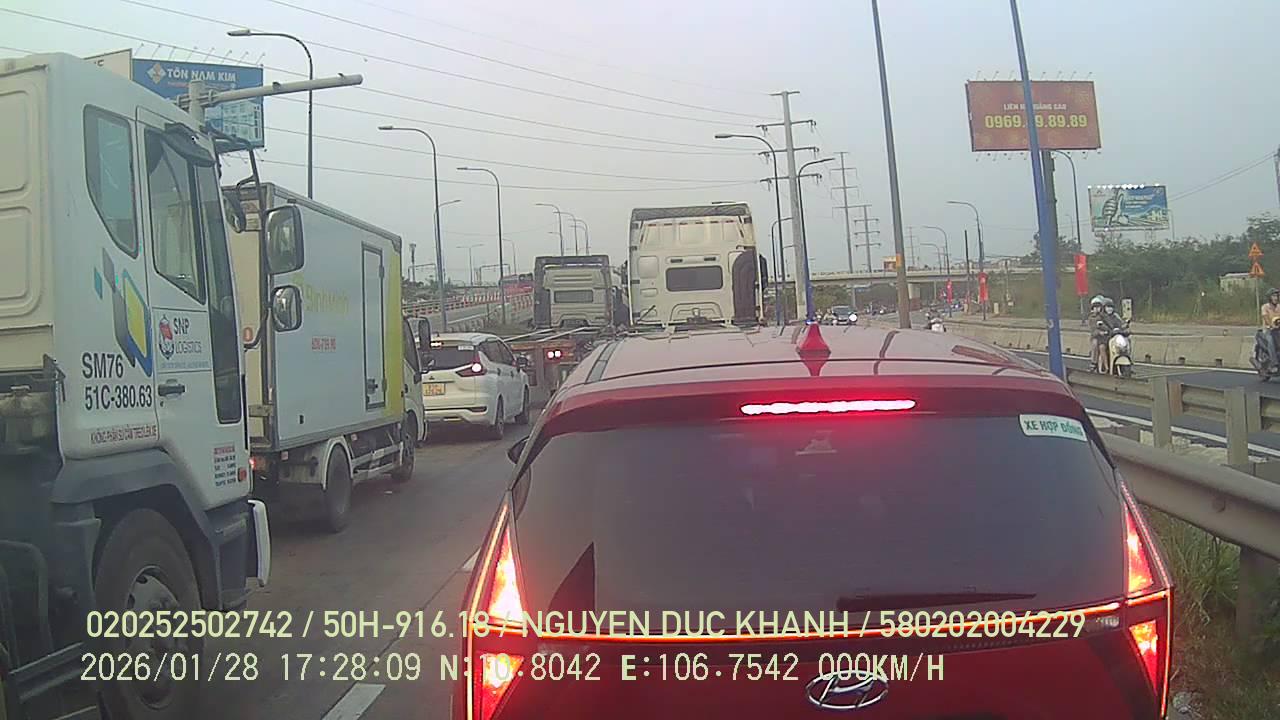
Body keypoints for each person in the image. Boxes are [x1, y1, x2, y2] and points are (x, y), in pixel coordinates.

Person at [1260, 288, 1280, 370]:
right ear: (1269, 297)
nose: (1276, 298)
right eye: (1274, 296)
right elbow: (1265, 317)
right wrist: (1271, 325)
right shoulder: (1265, 307)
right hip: (1269, 330)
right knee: (1271, 342)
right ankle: (1274, 363)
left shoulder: (1279, 307)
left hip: (1278, 330)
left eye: (1277, 296)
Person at [1088, 295, 1107, 370]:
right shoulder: (1091, 318)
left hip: (1106, 336)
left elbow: (1110, 325)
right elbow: (1093, 329)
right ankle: (1094, 362)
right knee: (1095, 344)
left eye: (1098, 307)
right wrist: (1099, 332)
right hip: (1096, 337)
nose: (1097, 309)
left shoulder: (1105, 316)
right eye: (1095, 307)